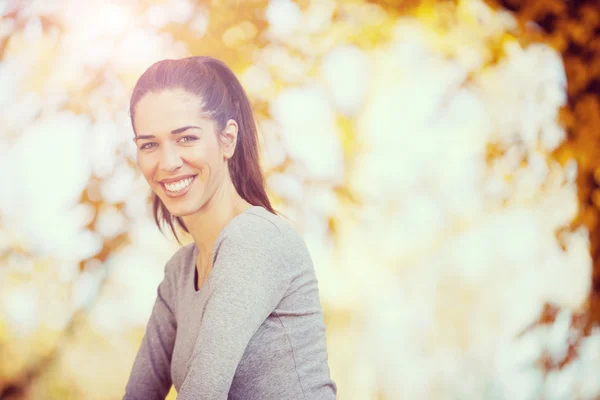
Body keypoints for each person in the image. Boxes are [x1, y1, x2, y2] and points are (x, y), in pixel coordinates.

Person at [123, 56, 337, 400]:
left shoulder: (257, 239)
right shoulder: (179, 273)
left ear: (227, 140)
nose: (168, 162)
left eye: (186, 138)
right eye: (149, 144)